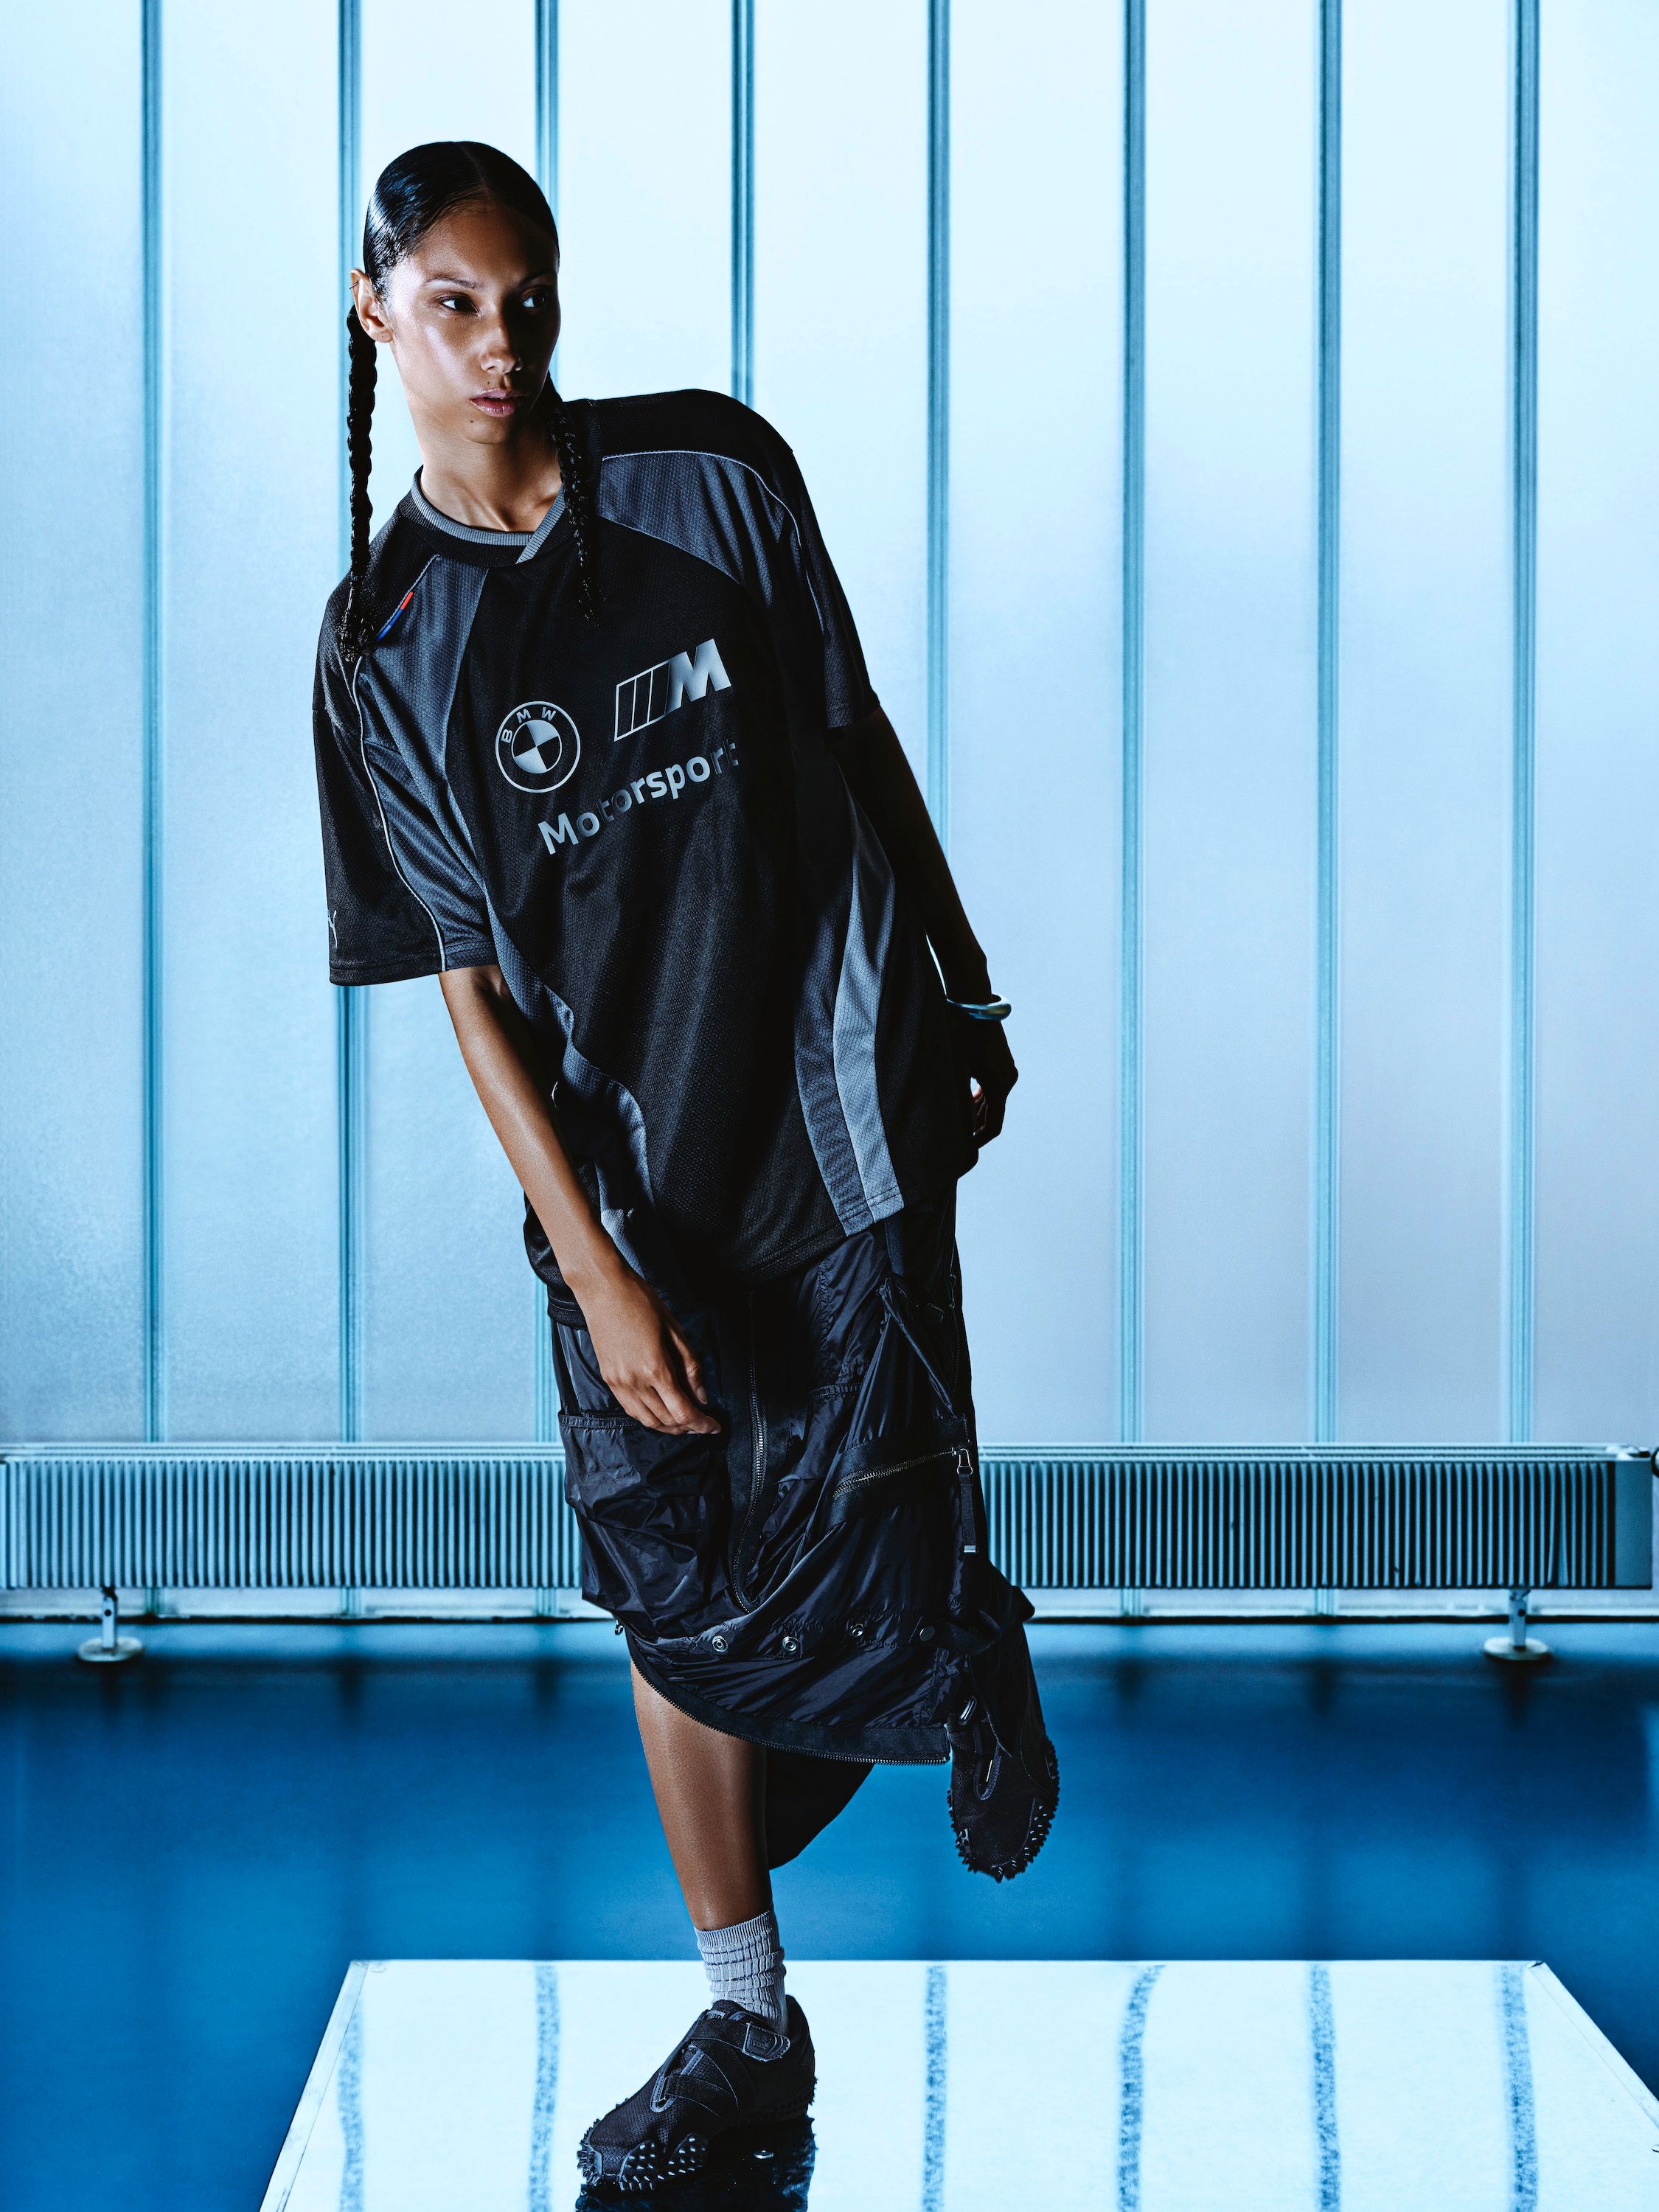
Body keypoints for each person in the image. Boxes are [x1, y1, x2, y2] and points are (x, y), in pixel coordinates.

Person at [310, 139, 1057, 2192]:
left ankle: (936, 1629)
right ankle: (753, 2018)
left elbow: (854, 739)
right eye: (453, 304)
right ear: (376, 311)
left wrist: (961, 981)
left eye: (526, 302)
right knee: (664, 1596)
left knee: (838, 1521)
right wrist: (598, 1267)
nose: (500, 344)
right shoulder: (381, 648)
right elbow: (470, 992)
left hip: (833, 1112)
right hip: (635, 1192)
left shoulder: (714, 476)